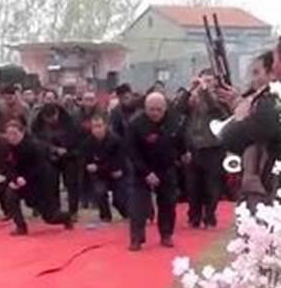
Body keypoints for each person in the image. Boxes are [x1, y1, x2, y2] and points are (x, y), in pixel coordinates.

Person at [217, 51, 281, 209]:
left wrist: (241, 113)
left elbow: (233, 137)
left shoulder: (270, 102)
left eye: (257, 72)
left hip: (269, 181)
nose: (253, 79)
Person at [127, 92, 187, 251]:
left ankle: (166, 234)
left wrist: (184, 153)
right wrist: (146, 173)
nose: (155, 113)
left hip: (166, 167)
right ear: (145, 108)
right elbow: (132, 153)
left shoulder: (175, 121)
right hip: (142, 168)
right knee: (138, 205)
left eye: (158, 109)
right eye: (151, 109)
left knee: (168, 202)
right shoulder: (135, 124)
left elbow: (180, 141)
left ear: (165, 108)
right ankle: (136, 238)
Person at [0, 120, 74, 235]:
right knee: (10, 195)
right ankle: (21, 227)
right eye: (9, 134)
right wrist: (15, 179)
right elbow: (7, 167)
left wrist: (25, 178)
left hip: (40, 183)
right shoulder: (6, 147)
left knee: (50, 217)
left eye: (15, 134)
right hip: (21, 181)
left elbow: (40, 168)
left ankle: (66, 217)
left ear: (22, 133)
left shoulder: (33, 146)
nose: (11, 137)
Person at [180, 70, 229, 228]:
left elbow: (218, 112)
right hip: (193, 147)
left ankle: (209, 215)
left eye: (209, 80)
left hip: (213, 148)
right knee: (193, 185)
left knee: (212, 184)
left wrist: (206, 91)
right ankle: (194, 216)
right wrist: (190, 89)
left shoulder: (221, 98)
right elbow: (177, 108)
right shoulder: (193, 100)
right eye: (203, 80)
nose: (204, 83)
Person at [31, 102, 83, 219]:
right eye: (48, 119)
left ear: (57, 113)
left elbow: (77, 139)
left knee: (71, 184)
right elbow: (35, 140)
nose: (51, 121)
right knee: (51, 184)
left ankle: (73, 211)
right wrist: (51, 149)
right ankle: (56, 210)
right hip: (49, 157)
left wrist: (66, 149)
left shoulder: (70, 120)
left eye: (53, 118)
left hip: (69, 156)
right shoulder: (37, 123)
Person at [82, 114, 128, 222]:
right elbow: (86, 162)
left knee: (119, 200)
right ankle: (105, 217)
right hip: (100, 176)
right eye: (94, 127)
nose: (97, 129)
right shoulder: (88, 143)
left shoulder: (116, 140)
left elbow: (118, 162)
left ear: (105, 126)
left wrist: (97, 167)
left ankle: (127, 214)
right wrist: (91, 168)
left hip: (117, 174)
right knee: (100, 191)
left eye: (99, 126)